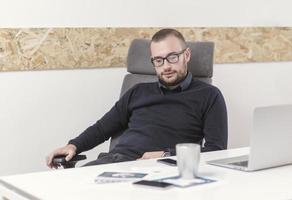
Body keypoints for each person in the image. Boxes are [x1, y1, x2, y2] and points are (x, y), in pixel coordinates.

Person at [47, 28, 228, 168]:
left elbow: (216, 151)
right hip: (113, 164)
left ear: (186, 55)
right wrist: (74, 145)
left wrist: (166, 155)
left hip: (162, 170)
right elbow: (102, 128)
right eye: (158, 60)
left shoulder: (209, 96)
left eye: (172, 57)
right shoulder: (138, 91)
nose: (165, 66)